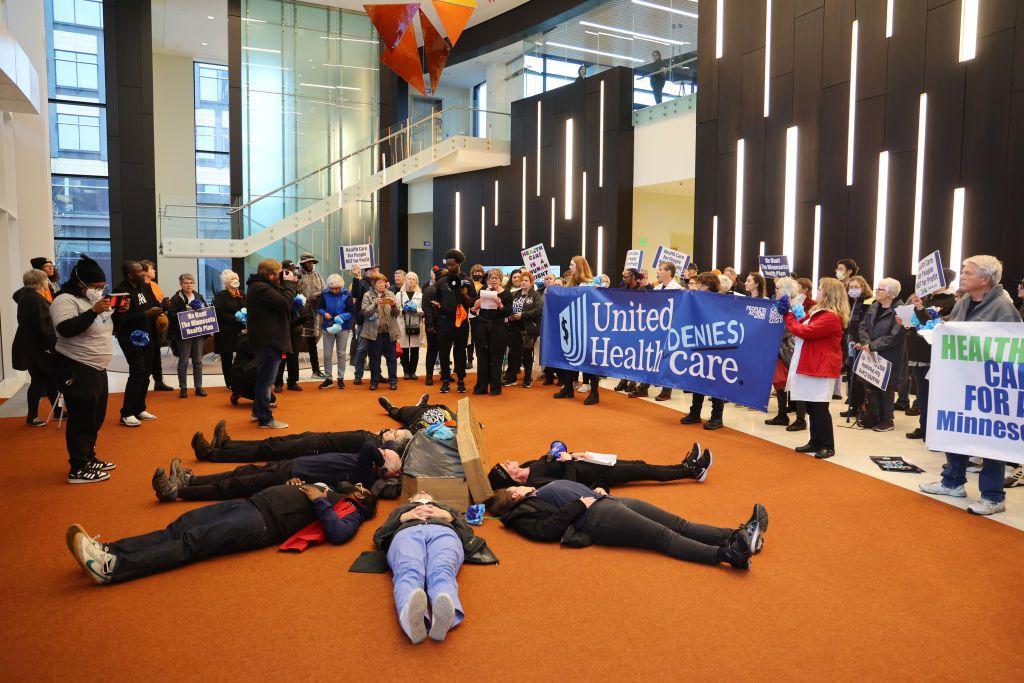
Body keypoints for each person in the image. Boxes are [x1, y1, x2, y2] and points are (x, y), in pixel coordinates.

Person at [66, 482, 377, 584]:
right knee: (180, 527)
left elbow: (337, 533)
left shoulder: (354, 514)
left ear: (362, 499)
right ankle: (110, 550)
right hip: (250, 504)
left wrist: (317, 497)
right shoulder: (335, 493)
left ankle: (113, 569)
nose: (357, 486)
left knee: (191, 542)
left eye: (361, 488)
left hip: (261, 523)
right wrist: (301, 486)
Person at [919, 255, 1023, 515]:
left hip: (987, 387)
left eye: (967, 272)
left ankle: (993, 496)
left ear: (985, 279)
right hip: (959, 381)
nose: (961, 276)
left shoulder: (1003, 308)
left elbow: (1011, 349)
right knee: (956, 430)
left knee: (990, 441)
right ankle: (953, 482)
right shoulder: (964, 301)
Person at [487, 481, 766, 570]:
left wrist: (592, 490)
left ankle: (737, 535)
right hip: (596, 517)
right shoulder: (522, 513)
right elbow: (546, 531)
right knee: (664, 537)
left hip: (606, 500)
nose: (521, 484)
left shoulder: (536, 489)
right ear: (514, 495)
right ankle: (729, 555)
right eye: (516, 486)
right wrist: (580, 504)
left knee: (679, 523)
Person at [373, 492, 490, 643]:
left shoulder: (446, 508)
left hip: (444, 532)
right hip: (407, 533)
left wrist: (449, 516)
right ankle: (410, 616)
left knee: (442, 569)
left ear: (434, 500)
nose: (422, 492)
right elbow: (379, 536)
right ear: (411, 500)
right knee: (409, 568)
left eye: (426, 492)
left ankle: (443, 616)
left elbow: (468, 533)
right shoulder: (401, 510)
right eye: (417, 493)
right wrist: (402, 518)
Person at [50, 255, 124, 483]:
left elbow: (104, 328)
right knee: (81, 417)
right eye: (97, 287)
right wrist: (93, 310)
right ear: (82, 283)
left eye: (103, 287)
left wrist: (117, 311)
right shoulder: (64, 301)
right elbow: (66, 329)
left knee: (95, 416)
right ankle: (78, 468)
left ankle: (88, 456)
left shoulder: (92, 300)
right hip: (76, 365)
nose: (101, 290)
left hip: (97, 366)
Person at [152, 441, 402, 501]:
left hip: (290, 476)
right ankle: (191, 479)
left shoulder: (363, 475)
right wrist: (386, 460)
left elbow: (371, 447)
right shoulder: (364, 462)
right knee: (239, 474)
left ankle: (179, 491)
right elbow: (379, 447)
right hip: (291, 464)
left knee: (236, 486)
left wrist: (383, 467)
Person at [778, 278, 849, 459]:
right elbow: (802, 324)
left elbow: (805, 331)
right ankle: (815, 441)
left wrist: (788, 315)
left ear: (828, 294)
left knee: (819, 407)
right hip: (811, 364)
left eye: (820, 289)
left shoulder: (831, 316)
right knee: (811, 406)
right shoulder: (819, 312)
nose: (817, 291)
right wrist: (793, 313)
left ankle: (827, 444)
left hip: (821, 367)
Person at [488, 441, 712, 491]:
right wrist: (567, 461)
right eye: (506, 466)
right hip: (596, 475)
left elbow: (552, 451)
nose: (508, 461)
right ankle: (693, 470)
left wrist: (563, 452)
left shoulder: (528, 466)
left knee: (641, 465)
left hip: (591, 461)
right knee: (645, 470)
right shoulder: (535, 482)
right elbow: (570, 485)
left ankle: (685, 466)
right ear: (512, 477)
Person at [191, 418, 412, 463]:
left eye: (395, 433)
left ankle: (212, 454)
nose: (391, 429)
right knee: (269, 442)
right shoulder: (375, 438)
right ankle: (227, 444)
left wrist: (389, 443)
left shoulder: (375, 448)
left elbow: (375, 456)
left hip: (313, 449)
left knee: (267, 450)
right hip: (315, 439)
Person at [903, 269, 957, 440]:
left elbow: (934, 324)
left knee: (935, 394)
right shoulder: (925, 298)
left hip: (935, 353)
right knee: (922, 393)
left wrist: (920, 310)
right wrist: (906, 319)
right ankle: (924, 426)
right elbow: (916, 321)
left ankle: (933, 430)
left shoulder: (952, 300)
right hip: (918, 350)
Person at [246, 258, 298, 429]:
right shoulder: (261, 289)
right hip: (269, 340)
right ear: (269, 275)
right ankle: (265, 419)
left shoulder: (260, 286)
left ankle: (256, 411)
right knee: (266, 381)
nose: (280, 276)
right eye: (278, 274)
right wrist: (290, 284)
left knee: (263, 378)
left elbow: (278, 299)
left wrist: (283, 282)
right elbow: (284, 303)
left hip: (267, 339)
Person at [111, 261, 162, 424]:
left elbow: (154, 305)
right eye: (139, 272)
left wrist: (163, 307)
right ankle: (126, 413)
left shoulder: (145, 287)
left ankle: (139, 408)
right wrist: (145, 315)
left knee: (146, 372)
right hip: (129, 338)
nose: (143, 273)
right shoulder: (119, 292)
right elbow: (118, 319)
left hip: (147, 336)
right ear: (130, 275)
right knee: (138, 372)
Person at [855, 278, 905, 432]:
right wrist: (866, 343)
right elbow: (863, 326)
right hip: (870, 352)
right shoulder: (874, 306)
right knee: (870, 384)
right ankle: (873, 416)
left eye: (880, 289)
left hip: (889, 354)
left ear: (890, 293)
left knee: (886, 387)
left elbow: (895, 336)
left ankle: (887, 419)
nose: (876, 291)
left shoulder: (901, 310)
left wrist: (872, 345)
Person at [425, 250, 478, 394]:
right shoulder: (441, 281)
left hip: (461, 322)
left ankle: (461, 380)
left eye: (452, 265)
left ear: (459, 264)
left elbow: (473, 302)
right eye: (447, 265)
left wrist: (466, 295)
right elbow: (433, 298)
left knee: (460, 352)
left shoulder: (467, 281)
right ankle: (446, 380)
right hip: (444, 322)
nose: (449, 267)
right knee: (444, 352)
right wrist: (437, 306)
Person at [680, 272, 727, 430]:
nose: (697, 286)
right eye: (697, 283)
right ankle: (695, 412)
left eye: (700, 284)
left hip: (716, 346)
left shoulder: (720, 301)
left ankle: (717, 416)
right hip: (698, 343)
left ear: (709, 286)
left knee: (716, 381)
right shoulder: (695, 300)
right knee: (697, 378)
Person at [12, 269, 59, 426]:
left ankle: (57, 411)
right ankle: (32, 416)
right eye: (46, 280)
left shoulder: (25, 295)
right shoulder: (36, 300)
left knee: (51, 379)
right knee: (39, 381)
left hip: (32, 346)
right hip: (38, 347)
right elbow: (44, 326)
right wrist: (54, 344)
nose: (48, 283)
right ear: (41, 283)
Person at [629, 263, 682, 401]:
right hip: (655, 327)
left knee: (667, 358)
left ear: (669, 272)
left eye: (661, 269)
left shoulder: (678, 289)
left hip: (670, 327)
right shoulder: (657, 288)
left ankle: (666, 390)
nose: (658, 272)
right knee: (651, 357)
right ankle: (643, 388)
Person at [554, 256, 601, 405]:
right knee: (569, 356)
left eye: (572, 265)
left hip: (588, 328)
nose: (570, 268)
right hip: (572, 327)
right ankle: (568, 387)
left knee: (589, 360)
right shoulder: (570, 286)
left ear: (579, 267)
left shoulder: (590, 284)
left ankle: (594, 392)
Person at [764, 277, 807, 431]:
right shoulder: (775, 304)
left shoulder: (796, 305)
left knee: (795, 383)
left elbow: (799, 325)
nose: (775, 290)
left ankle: (801, 419)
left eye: (777, 288)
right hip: (777, 346)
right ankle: (782, 414)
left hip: (790, 346)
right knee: (779, 382)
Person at [470, 269, 512, 396]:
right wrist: (476, 305)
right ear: (487, 280)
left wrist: (500, 305)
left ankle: (495, 388)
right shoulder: (482, 291)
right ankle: (481, 387)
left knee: (496, 359)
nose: (493, 280)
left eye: (496, 278)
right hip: (482, 327)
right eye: (491, 278)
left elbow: (508, 313)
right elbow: (474, 310)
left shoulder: (507, 294)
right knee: (482, 357)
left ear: (500, 280)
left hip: (498, 328)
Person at [167, 273, 210, 399]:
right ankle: (183, 388)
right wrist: (186, 313)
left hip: (198, 333)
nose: (189, 285)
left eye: (191, 282)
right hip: (183, 334)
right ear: (181, 284)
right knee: (183, 362)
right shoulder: (176, 298)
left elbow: (207, 311)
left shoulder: (199, 296)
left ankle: (198, 387)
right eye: (186, 283)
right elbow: (171, 315)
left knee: (198, 361)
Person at [840, 275, 874, 419]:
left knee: (861, 379)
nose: (853, 290)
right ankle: (853, 406)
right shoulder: (847, 303)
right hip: (849, 342)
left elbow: (867, 326)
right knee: (851, 376)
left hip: (861, 344)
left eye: (856, 287)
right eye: (851, 287)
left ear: (863, 288)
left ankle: (863, 407)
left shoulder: (868, 303)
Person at [361, 274, 401, 391]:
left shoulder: (391, 294)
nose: (382, 284)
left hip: (389, 332)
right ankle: (374, 382)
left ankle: (393, 381)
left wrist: (393, 305)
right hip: (374, 333)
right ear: (374, 284)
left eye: (384, 282)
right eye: (379, 282)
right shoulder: (367, 295)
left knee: (391, 359)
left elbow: (397, 312)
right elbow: (365, 313)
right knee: (375, 359)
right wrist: (374, 304)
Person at [316, 273, 355, 390]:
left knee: (341, 353)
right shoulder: (324, 293)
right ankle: (328, 379)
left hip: (343, 327)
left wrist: (342, 316)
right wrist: (324, 313)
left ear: (341, 287)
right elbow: (319, 308)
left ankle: (340, 378)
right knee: (327, 354)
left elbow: (351, 312)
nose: (334, 291)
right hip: (327, 326)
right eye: (332, 288)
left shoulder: (347, 294)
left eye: (337, 288)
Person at [139, 260, 174, 392]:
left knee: (156, 354)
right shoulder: (139, 287)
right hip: (143, 327)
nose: (154, 271)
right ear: (143, 272)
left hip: (155, 324)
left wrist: (164, 306)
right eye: (152, 268)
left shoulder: (153, 285)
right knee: (145, 358)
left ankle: (158, 381)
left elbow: (156, 305)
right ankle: (142, 385)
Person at [506, 270, 543, 388]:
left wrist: (522, 315)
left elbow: (539, 310)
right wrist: (510, 315)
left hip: (528, 329)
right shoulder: (514, 294)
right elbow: (508, 308)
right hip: (514, 327)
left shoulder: (535, 295)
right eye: (522, 280)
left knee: (527, 354)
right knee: (513, 354)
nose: (523, 282)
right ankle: (512, 378)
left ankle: (528, 378)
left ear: (531, 283)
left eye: (526, 280)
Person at [274, 260, 305, 393]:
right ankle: (278, 382)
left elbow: (302, 298)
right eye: (288, 270)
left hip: (295, 323)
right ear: (282, 270)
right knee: (281, 355)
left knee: (294, 354)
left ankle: (292, 381)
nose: (291, 272)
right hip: (281, 323)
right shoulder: (276, 283)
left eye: (293, 270)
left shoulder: (297, 281)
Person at [213, 269, 246, 391]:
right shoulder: (221, 296)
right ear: (226, 283)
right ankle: (229, 383)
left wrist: (244, 318)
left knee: (242, 357)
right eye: (232, 279)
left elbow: (247, 307)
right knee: (226, 358)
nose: (235, 281)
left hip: (241, 331)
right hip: (226, 332)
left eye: (236, 278)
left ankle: (241, 380)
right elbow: (220, 313)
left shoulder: (242, 293)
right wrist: (236, 318)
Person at [298, 253, 326, 380]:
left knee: (312, 344)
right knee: (294, 343)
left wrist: (320, 296)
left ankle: (316, 370)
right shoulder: (296, 275)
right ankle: (292, 374)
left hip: (313, 314)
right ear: (303, 263)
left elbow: (324, 290)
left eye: (312, 262)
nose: (311, 264)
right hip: (297, 314)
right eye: (308, 262)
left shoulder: (317, 276)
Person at [350, 265, 378, 385]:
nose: (376, 272)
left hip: (377, 320)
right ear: (366, 272)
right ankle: (358, 375)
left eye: (377, 270)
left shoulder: (380, 283)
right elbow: (355, 294)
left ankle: (377, 375)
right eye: (373, 270)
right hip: (363, 320)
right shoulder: (361, 282)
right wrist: (356, 277)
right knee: (361, 349)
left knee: (376, 350)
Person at [378, 394, 456, 434]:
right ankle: (422, 404)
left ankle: (389, 407)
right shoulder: (453, 423)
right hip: (432, 408)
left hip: (413, 414)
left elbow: (406, 431)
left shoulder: (423, 434)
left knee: (397, 413)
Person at [396, 271, 423, 380]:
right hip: (403, 324)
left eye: (413, 279)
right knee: (404, 350)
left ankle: (413, 371)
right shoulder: (399, 295)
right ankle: (406, 371)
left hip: (415, 324)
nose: (411, 281)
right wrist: (404, 310)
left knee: (415, 350)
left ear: (416, 282)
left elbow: (424, 310)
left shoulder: (420, 295)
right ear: (405, 280)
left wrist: (416, 310)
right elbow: (395, 310)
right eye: (409, 279)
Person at [422, 268, 440, 386]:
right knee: (432, 350)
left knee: (444, 351)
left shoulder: (445, 288)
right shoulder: (428, 289)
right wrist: (429, 325)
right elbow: (426, 308)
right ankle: (429, 375)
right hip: (432, 324)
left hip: (445, 324)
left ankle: (444, 373)